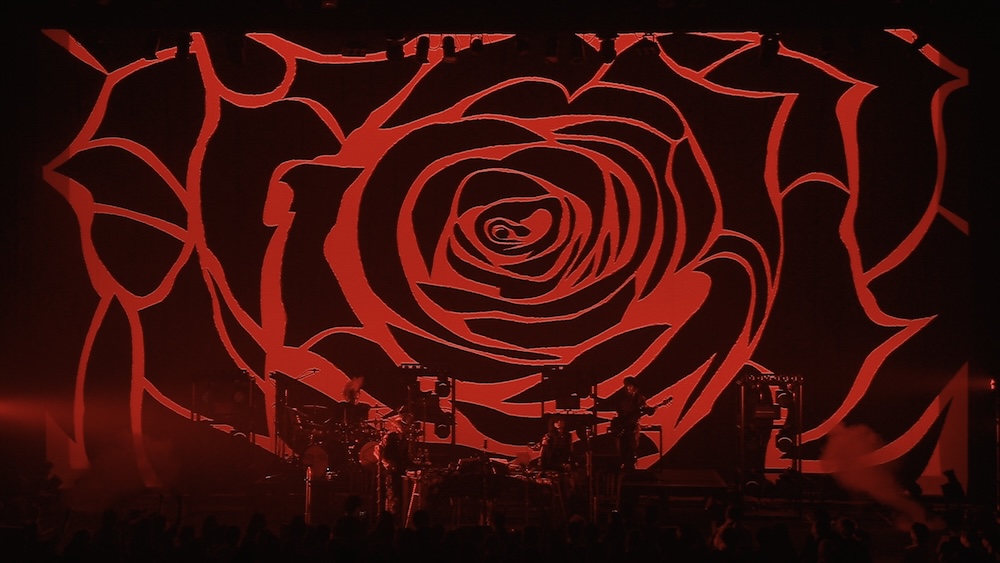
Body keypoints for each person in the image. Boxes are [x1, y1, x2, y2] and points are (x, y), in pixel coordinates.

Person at [613, 376, 653, 471]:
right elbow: (619, 410)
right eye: (626, 385)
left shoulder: (639, 399)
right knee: (622, 447)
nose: (627, 388)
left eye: (629, 386)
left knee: (631, 448)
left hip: (633, 428)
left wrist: (650, 410)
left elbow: (647, 410)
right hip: (623, 426)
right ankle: (623, 464)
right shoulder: (622, 398)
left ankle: (630, 466)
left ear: (634, 387)